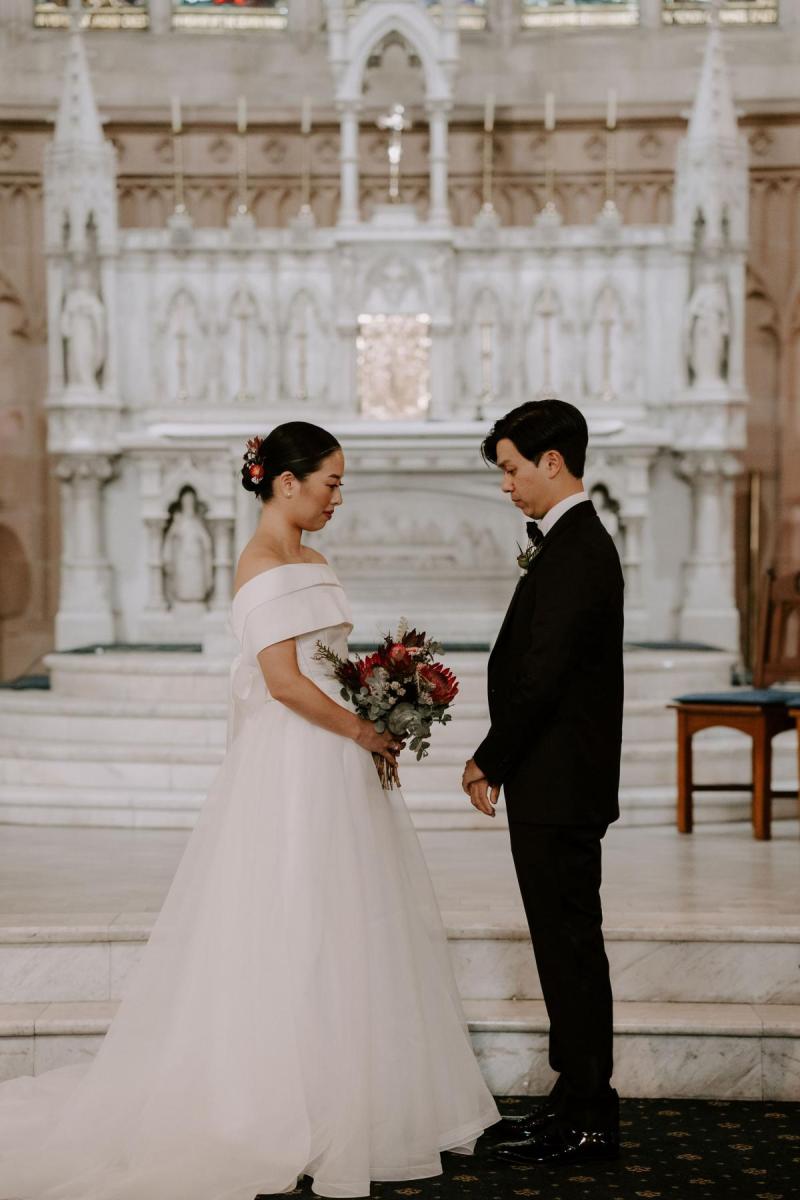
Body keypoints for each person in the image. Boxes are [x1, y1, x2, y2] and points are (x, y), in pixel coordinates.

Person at [0, 421, 499, 1200]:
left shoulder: (315, 560)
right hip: (296, 763)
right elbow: (286, 684)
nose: (339, 497)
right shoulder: (261, 565)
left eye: (342, 484)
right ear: (286, 481)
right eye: (329, 483)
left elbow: (330, 666)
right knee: (290, 917)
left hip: (336, 759)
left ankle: (341, 1091)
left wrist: (385, 700)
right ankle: (272, 1100)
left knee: (342, 922)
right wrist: (370, 726)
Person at [461, 398, 624, 1167]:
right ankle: (572, 1100)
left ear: (551, 462)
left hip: (559, 782)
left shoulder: (580, 547)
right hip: (555, 780)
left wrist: (490, 756)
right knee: (563, 946)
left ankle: (589, 1115)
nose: (507, 485)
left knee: (569, 947)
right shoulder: (571, 543)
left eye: (512, 468)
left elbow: (545, 675)